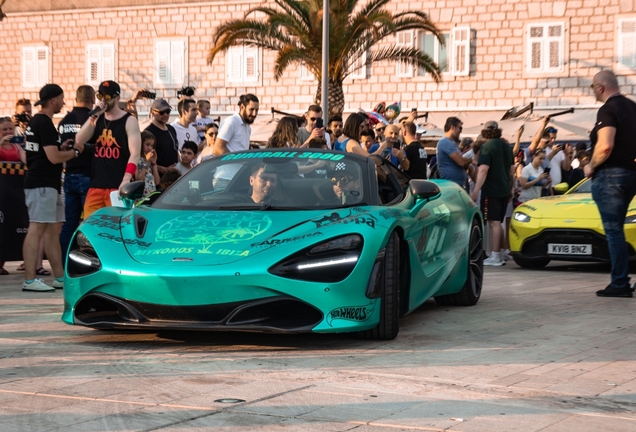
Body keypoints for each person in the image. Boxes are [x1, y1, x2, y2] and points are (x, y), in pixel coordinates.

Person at [22, 84, 86, 292]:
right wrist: (75, 152)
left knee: (52, 231)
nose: (63, 102)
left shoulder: (36, 122)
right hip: (41, 184)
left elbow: (45, 152)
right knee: (37, 229)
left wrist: (62, 148)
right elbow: (53, 157)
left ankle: (59, 277)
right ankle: (30, 280)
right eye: (61, 98)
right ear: (53, 100)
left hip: (47, 183)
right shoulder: (45, 123)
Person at [585, 70, 636, 297]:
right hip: (632, 174)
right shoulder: (633, 107)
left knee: (614, 231)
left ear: (600, 87)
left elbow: (605, 145)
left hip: (611, 176)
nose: (593, 91)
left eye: (592, 87)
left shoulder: (608, 109)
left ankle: (619, 283)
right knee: (621, 229)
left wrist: (591, 166)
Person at [75, 80, 142, 219]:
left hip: (117, 186)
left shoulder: (129, 121)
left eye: (107, 97)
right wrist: (93, 116)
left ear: (117, 98)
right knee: (90, 226)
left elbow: (135, 153)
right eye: (100, 96)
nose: (103, 101)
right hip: (97, 185)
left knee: (118, 227)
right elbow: (79, 140)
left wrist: (126, 179)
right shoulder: (97, 119)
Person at [58, 85, 95, 260]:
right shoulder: (92, 120)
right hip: (88, 175)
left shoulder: (64, 121)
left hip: (69, 174)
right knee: (89, 223)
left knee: (69, 224)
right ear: (93, 99)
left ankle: (66, 261)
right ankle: (87, 262)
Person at [469, 121, 513, 267]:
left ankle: (495, 256)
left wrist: (475, 191)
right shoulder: (505, 146)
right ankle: (499, 253)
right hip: (505, 189)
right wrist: (511, 188)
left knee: (493, 222)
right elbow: (511, 169)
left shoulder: (486, 147)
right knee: (498, 223)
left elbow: (483, 170)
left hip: (492, 189)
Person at [0, 116, 27, 275]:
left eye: (11, 129)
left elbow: (26, 161)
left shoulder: (17, 146)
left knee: (18, 225)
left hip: (17, 193)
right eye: (5, 129)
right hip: (2, 194)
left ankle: (25, 260)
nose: (8, 132)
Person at [144, 99, 178, 175]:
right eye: (161, 112)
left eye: (168, 111)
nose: (165, 115)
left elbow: (175, 150)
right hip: (158, 177)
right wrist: (164, 169)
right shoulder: (149, 132)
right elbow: (145, 158)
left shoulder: (171, 128)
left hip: (174, 175)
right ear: (152, 112)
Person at [436, 117, 473, 188]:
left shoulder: (452, 143)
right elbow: (461, 162)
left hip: (455, 184)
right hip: (451, 185)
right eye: (460, 128)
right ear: (452, 127)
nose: (460, 131)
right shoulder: (445, 142)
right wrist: (470, 160)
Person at [135, 131, 160, 198]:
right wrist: (146, 162)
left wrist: (154, 163)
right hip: (141, 198)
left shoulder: (149, 160)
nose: (150, 148)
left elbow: (157, 182)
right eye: (147, 144)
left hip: (151, 195)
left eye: (152, 146)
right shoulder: (136, 159)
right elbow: (139, 179)